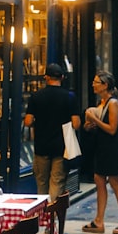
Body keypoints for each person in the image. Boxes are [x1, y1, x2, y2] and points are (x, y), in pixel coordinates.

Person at [81, 71, 118, 234]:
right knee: (99, 180)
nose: (93, 84)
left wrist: (94, 120)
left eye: (96, 82)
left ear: (105, 85)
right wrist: (90, 125)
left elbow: (112, 129)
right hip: (101, 147)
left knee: (115, 181)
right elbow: (101, 126)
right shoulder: (101, 103)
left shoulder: (113, 103)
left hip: (111, 148)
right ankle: (99, 220)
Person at [23, 62, 80, 201]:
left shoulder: (36, 96)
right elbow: (76, 124)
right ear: (62, 77)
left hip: (41, 145)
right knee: (57, 181)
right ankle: (51, 214)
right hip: (61, 146)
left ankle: (41, 214)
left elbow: (28, 121)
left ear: (46, 77)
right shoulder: (70, 97)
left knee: (41, 182)